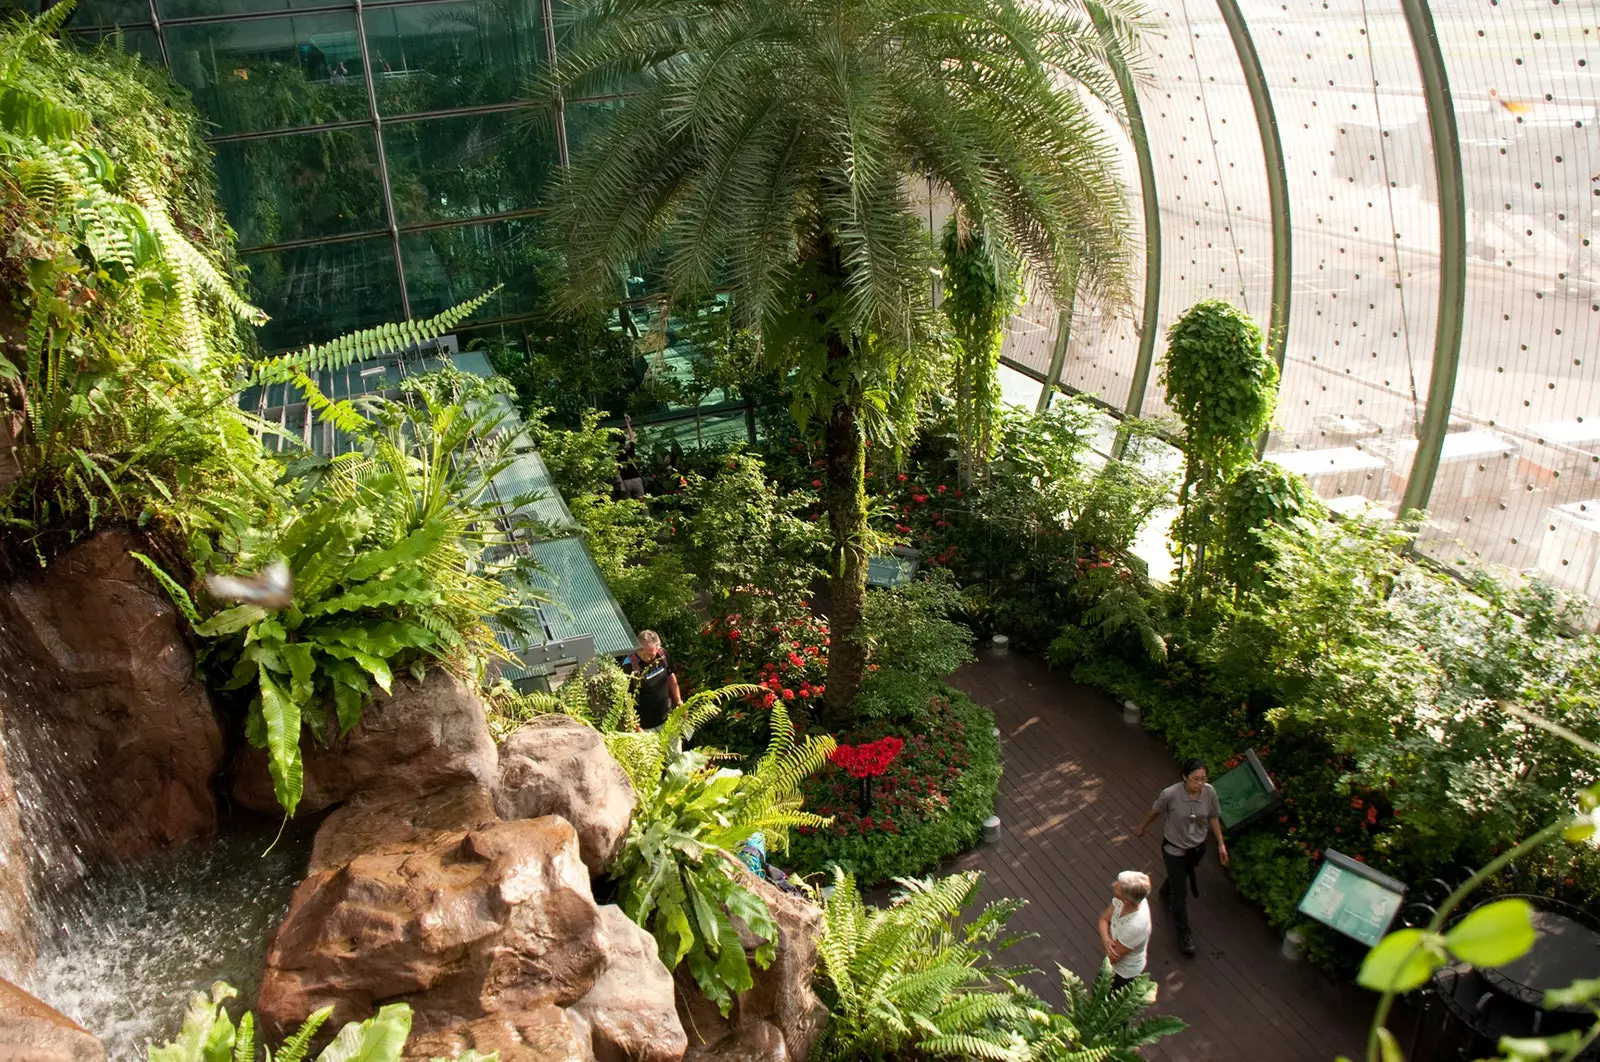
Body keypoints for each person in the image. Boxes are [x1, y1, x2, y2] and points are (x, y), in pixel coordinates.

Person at [1134, 759, 1228, 957]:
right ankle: (1183, 932)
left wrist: (1220, 843)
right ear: (1185, 777)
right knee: (1180, 894)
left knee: (1181, 876)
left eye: (1203, 779)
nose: (1199, 784)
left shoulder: (1209, 792)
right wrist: (1142, 826)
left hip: (1197, 847)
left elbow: (1213, 816)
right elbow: (1156, 810)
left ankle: (1168, 887)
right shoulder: (1170, 794)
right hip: (1174, 849)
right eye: (1195, 779)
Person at [1096, 871, 1153, 991]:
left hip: (1122, 973)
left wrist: (1108, 944)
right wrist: (1106, 940)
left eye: (1118, 887)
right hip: (1110, 965)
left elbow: (1113, 957)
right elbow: (1103, 919)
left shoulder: (1135, 926)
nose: (1114, 885)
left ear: (1127, 900)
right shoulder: (1121, 901)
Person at [628, 629, 681, 729]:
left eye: (651, 654)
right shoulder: (629, 666)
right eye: (643, 654)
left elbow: (670, 676)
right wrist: (636, 727)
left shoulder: (663, 654)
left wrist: (678, 701)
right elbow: (626, 700)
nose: (647, 658)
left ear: (658, 647)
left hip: (669, 718)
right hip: (646, 726)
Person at [616, 413, 646, 500]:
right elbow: (632, 437)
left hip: (625, 481)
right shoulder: (630, 449)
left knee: (628, 505)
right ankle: (645, 513)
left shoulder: (616, 453)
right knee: (642, 502)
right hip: (636, 479)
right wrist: (628, 423)